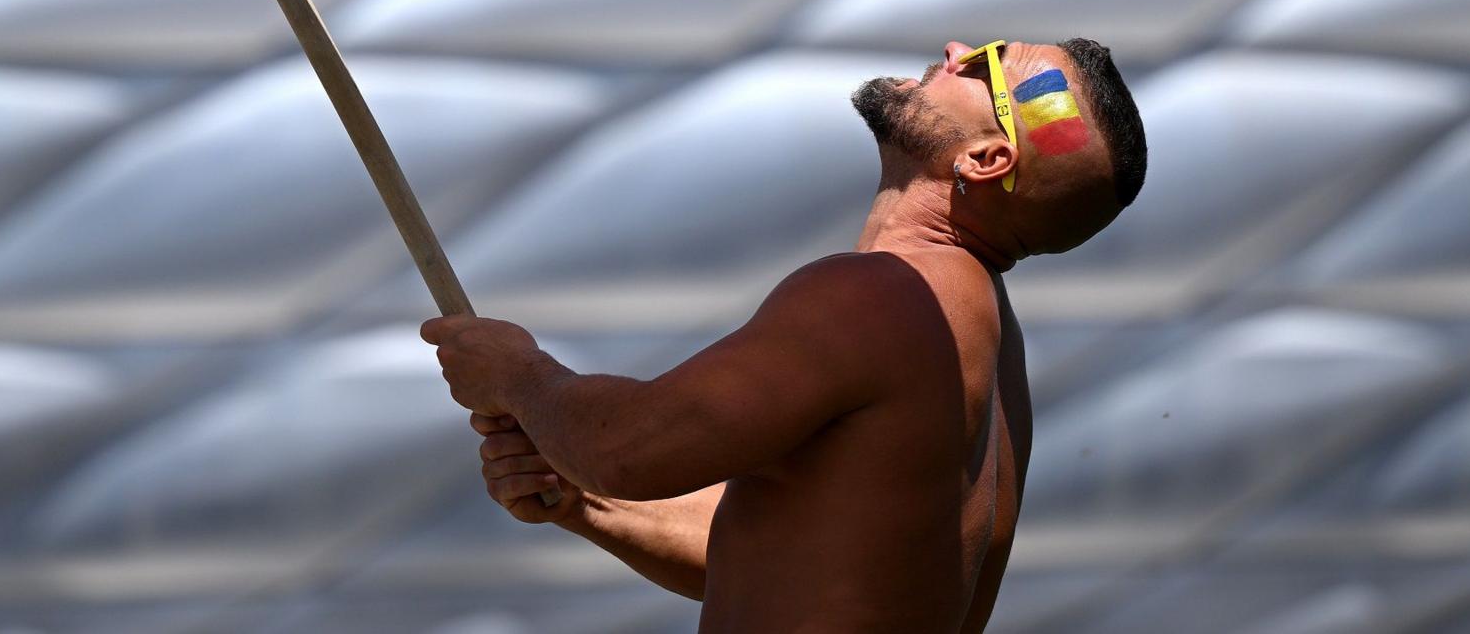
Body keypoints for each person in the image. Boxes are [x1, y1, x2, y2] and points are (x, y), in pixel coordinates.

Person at [422, 37, 1148, 634]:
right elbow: (792, 557)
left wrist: (521, 374)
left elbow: (629, 448)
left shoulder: (887, 296)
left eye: (985, 64)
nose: (955, 50)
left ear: (985, 158)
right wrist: (584, 502)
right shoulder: (984, 335)